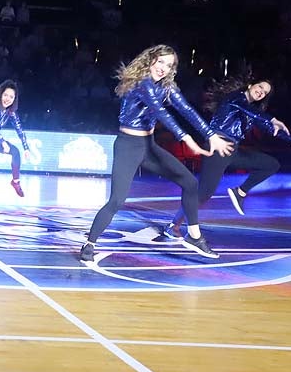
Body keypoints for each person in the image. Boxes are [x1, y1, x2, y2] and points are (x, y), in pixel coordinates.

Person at [79, 45, 234, 262]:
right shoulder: (142, 83)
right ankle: (90, 242)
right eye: (160, 62)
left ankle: (194, 236)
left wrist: (210, 135)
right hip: (128, 146)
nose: (163, 68)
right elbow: (160, 111)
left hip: (149, 146)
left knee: (190, 182)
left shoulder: (166, 86)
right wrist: (186, 138)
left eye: (169, 65)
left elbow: (186, 109)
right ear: (150, 60)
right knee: (117, 200)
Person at [164, 76, 291, 234]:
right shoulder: (236, 97)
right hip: (218, 146)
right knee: (204, 193)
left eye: (264, 93)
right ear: (250, 85)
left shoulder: (250, 112)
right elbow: (253, 112)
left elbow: (267, 126)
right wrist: (273, 118)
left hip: (232, 150)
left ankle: (240, 192)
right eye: (260, 87)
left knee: (270, 164)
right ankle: (173, 225)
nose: (261, 92)